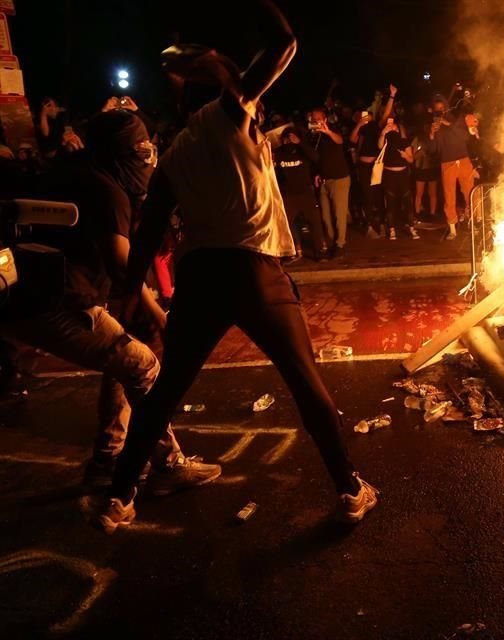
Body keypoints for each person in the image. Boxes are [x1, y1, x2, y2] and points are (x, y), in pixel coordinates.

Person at [98, 0, 377, 534]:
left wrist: (131, 292)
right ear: (230, 96)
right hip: (253, 271)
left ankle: (118, 497)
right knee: (305, 381)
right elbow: (284, 44)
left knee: (166, 390)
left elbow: (150, 228)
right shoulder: (229, 115)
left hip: (199, 278)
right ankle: (349, 488)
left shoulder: (175, 149)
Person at [0, 109, 221, 493]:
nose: (145, 159)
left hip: (36, 294)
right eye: (137, 151)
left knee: (122, 360)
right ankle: (167, 465)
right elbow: (123, 265)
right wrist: (160, 316)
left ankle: (108, 458)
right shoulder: (106, 190)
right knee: (142, 364)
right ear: (119, 155)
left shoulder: (76, 170)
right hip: (58, 303)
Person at [429, 95, 480, 240]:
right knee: (449, 196)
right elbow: (434, 150)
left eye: (441, 107)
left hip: (463, 160)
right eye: (437, 109)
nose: (439, 111)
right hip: (447, 163)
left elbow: (464, 137)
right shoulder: (434, 125)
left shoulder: (456, 119)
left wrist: (446, 123)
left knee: (470, 193)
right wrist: (432, 134)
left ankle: (474, 224)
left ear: (446, 107)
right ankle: (452, 228)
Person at [350, 84, 397, 238]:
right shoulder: (360, 128)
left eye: (369, 115)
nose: (367, 117)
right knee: (367, 196)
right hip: (363, 166)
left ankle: (382, 224)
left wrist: (392, 96)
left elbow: (386, 114)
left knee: (378, 195)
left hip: (376, 166)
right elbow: (352, 140)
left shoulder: (377, 126)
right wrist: (359, 124)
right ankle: (369, 225)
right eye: (365, 115)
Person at [274, 126, 325, 260]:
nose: (289, 140)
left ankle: (320, 251)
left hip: (305, 193)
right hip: (288, 194)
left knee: (315, 222)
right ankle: (291, 251)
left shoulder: (303, 150)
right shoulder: (278, 152)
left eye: (291, 137)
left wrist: (300, 143)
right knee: (287, 224)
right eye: (287, 137)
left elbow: (316, 157)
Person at [307, 107, 351, 257]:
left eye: (318, 118)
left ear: (325, 119)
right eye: (313, 118)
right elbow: (319, 158)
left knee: (339, 214)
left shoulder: (332, 130)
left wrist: (328, 132)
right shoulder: (314, 137)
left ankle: (340, 243)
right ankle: (332, 242)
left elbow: (340, 141)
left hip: (339, 179)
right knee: (325, 216)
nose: (315, 121)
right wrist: (317, 174)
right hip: (325, 179)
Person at [378, 118, 419, 240]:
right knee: (390, 202)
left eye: (395, 127)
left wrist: (406, 155)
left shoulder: (404, 141)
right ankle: (392, 229)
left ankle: (411, 227)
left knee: (407, 202)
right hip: (389, 174)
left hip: (403, 174)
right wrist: (383, 132)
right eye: (390, 126)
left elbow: (411, 159)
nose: (393, 128)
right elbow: (379, 146)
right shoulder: (385, 140)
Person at [411, 123, 439, 218]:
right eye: (432, 126)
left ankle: (432, 214)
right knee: (419, 192)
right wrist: (420, 152)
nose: (434, 128)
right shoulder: (419, 138)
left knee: (433, 193)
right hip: (421, 168)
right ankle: (417, 213)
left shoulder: (438, 138)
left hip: (433, 167)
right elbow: (413, 156)